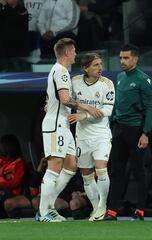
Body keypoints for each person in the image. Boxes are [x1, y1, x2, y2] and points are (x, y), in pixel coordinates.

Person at [39, 38, 103, 222]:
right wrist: (88, 108)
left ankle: (49, 205)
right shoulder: (61, 71)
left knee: (71, 165)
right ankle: (43, 212)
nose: (76, 53)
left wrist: (50, 104)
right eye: (74, 50)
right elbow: (65, 99)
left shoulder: (60, 71)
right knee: (54, 166)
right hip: (55, 124)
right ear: (66, 52)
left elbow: (54, 97)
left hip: (63, 124)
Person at [105, 44, 152, 221]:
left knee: (138, 171)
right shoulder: (119, 77)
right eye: (120, 58)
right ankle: (112, 211)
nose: (122, 61)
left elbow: (150, 107)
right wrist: (111, 126)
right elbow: (116, 104)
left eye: (126, 58)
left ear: (135, 59)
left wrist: (145, 133)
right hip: (119, 129)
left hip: (135, 130)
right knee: (116, 171)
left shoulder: (143, 80)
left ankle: (140, 210)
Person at [68, 53, 115, 221]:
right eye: (95, 65)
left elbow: (108, 111)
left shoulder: (107, 84)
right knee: (86, 175)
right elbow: (65, 99)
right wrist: (47, 102)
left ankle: (102, 205)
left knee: (101, 169)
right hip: (82, 136)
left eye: (101, 64)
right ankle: (96, 209)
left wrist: (85, 116)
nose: (100, 68)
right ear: (86, 68)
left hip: (101, 134)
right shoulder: (75, 82)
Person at [0, 134, 27, 218]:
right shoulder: (2, 161)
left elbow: (15, 182)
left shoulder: (20, 163)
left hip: (13, 192)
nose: (4, 147)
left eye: (7, 144)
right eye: (3, 144)